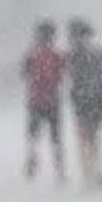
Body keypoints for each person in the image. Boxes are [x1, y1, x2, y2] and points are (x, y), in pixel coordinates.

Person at [65, 17, 102, 189]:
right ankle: (98, 170)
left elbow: (69, 77)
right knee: (95, 137)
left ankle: (88, 171)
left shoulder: (73, 55)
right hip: (99, 99)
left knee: (84, 136)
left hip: (82, 99)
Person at [23, 19, 67, 183]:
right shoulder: (58, 55)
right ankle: (59, 167)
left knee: (33, 134)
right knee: (56, 136)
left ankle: (32, 159)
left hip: (35, 99)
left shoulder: (31, 55)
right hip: (52, 100)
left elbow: (25, 74)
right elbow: (62, 75)